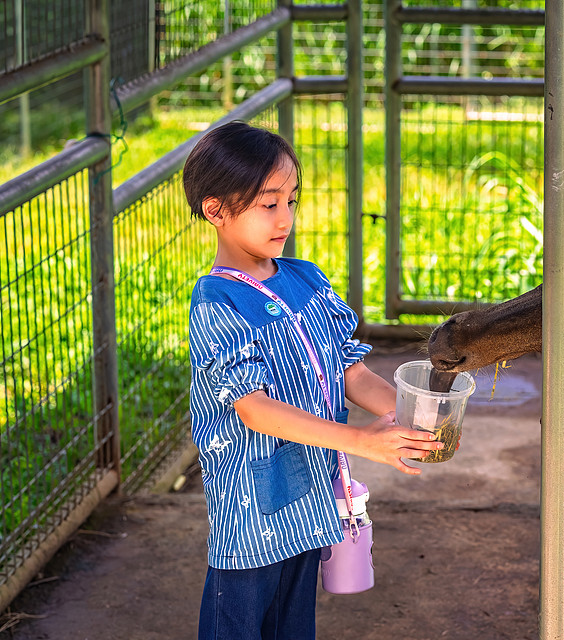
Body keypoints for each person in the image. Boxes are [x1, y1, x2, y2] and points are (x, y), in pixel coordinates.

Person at [184, 121, 441, 640]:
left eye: (291, 200)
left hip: (309, 501)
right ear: (215, 210)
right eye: (267, 203)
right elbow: (253, 407)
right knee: (235, 628)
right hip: (252, 511)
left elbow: (350, 368)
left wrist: (415, 416)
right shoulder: (218, 304)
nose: (285, 218)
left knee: (293, 627)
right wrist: (363, 441)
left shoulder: (306, 280)